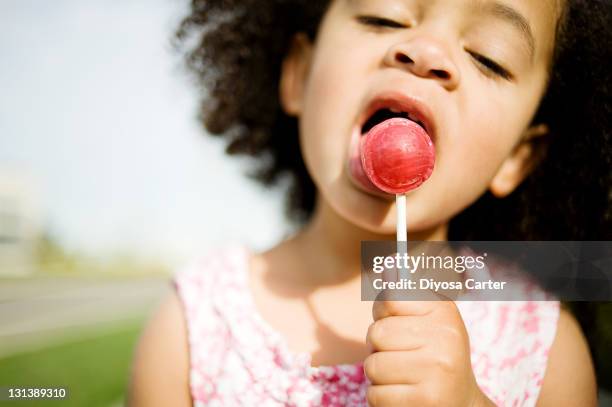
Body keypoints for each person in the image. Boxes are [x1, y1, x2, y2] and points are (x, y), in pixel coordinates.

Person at [127, 0, 611, 405]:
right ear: (299, 73)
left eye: (488, 56)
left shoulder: (545, 348)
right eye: (384, 16)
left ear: (518, 157)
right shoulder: (194, 330)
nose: (425, 53)